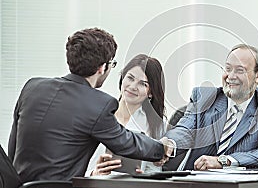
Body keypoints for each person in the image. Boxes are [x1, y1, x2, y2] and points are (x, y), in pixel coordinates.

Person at [8, 28, 171, 182]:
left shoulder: (32, 87)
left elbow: (13, 146)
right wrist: (160, 149)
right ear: (102, 68)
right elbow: (126, 143)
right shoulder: (99, 103)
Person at [163, 44, 258, 170]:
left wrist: (225, 161)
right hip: (193, 183)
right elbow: (186, 130)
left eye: (240, 70)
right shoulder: (203, 97)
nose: (231, 76)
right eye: (228, 69)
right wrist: (170, 143)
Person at [87, 54, 166, 175]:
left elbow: (154, 169)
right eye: (130, 78)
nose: (133, 86)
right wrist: (93, 174)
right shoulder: (96, 112)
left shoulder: (156, 125)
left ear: (151, 92)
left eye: (143, 84)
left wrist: (144, 177)